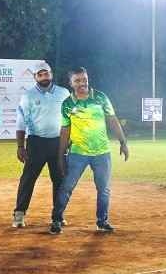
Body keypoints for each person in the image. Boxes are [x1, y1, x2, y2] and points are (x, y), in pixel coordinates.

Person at [49, 67, 129, 234]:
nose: (82, 83)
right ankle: (56, 220)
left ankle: (102, 221)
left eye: (84, 79)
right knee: (66, 187)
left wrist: (123, 141)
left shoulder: (100, 97)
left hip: (102, 153)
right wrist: (60, 155)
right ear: (70, 83)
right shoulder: (67, 104)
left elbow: (112, 120)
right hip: (78, 153)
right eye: (77, 80)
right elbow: (65, 130)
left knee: (104, 189)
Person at [11, 61, 70, 228]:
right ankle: (19, 214)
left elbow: (70, 119)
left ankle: (57, 215)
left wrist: (69, 142)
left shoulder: (63, 93)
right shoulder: (28, 96)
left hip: (58, 142)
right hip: (36, 142)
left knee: (59, 179)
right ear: (35, 77)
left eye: (47, 73)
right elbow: (20, 123)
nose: (45, 76)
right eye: (40, 74)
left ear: (51, 74)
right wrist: (20, 146)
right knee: (28, 179)